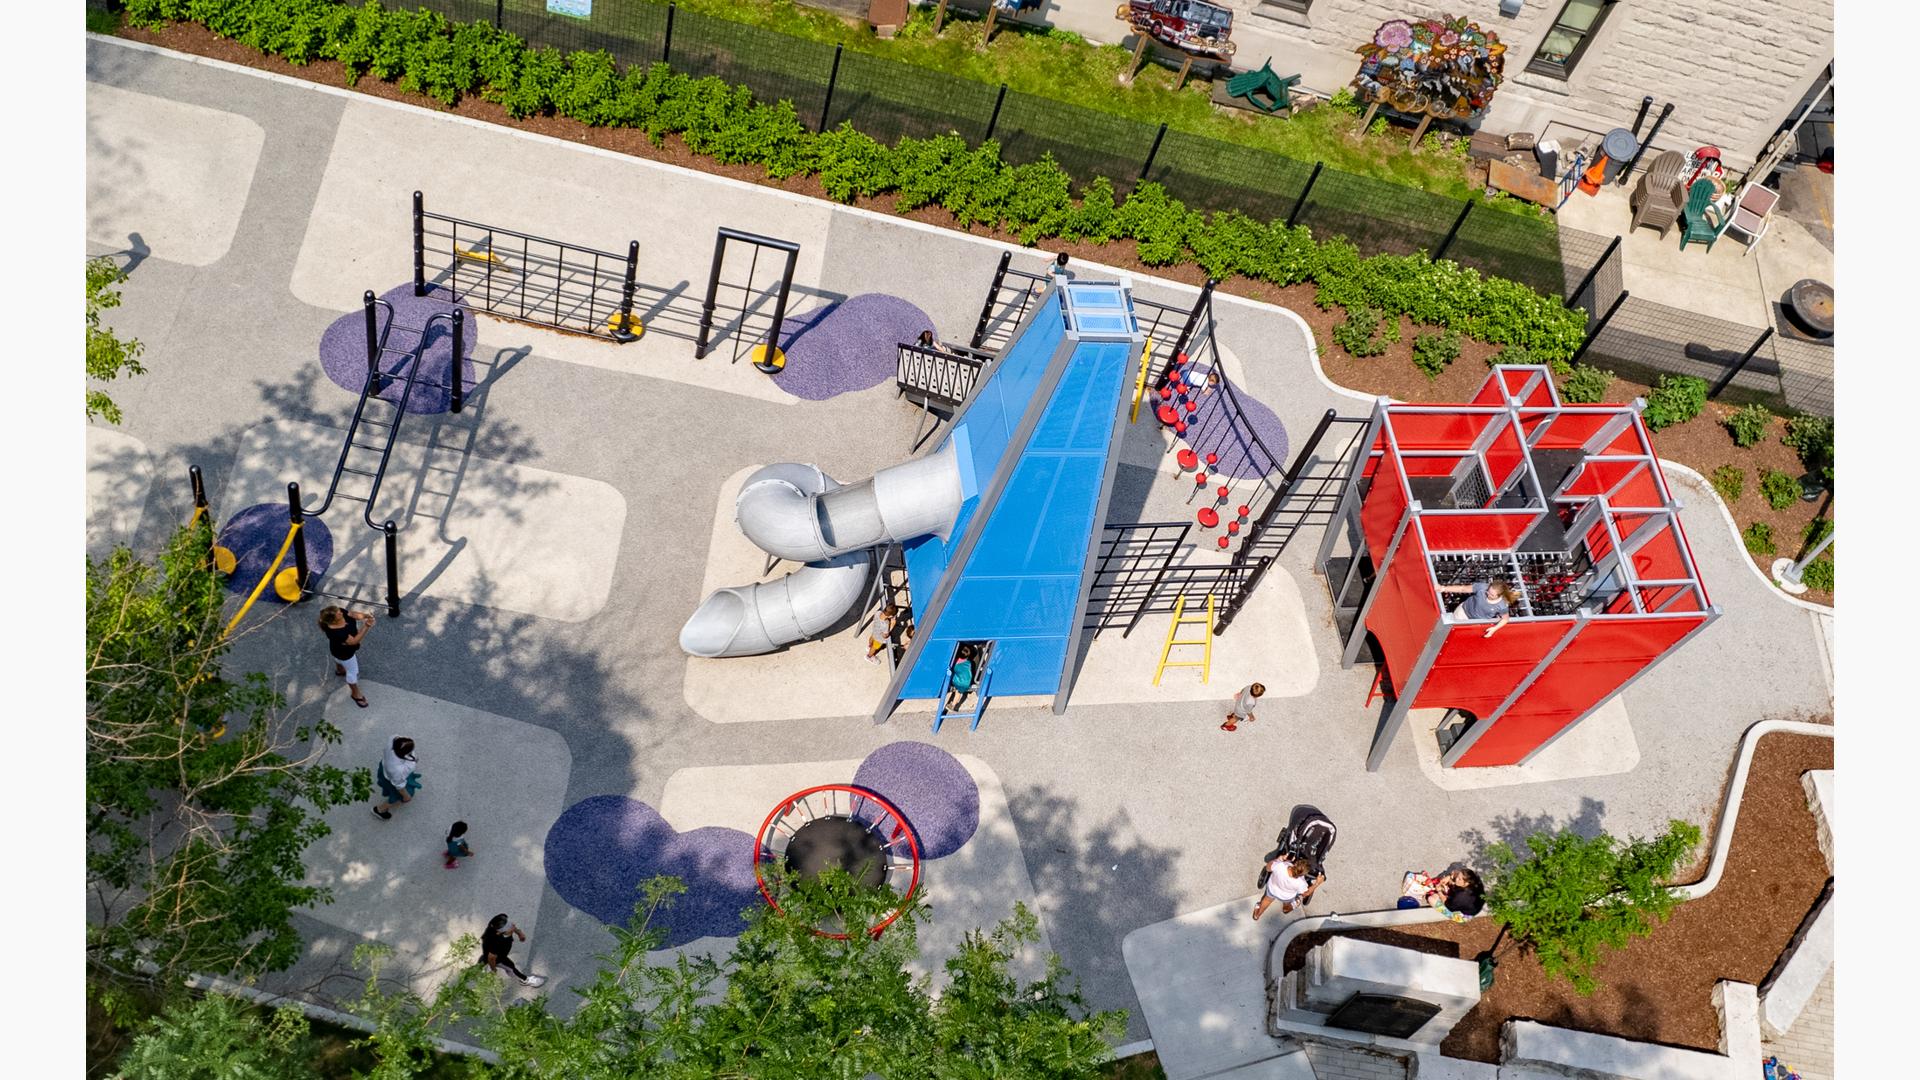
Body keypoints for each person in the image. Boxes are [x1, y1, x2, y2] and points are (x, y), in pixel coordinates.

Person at [318, 606, 375, 707]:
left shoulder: (338, 613)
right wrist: (366, 626)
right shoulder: (338, 633)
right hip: (346, 654)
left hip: (336, 649)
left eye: (339, 611)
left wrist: (365, 616)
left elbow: (352, 614)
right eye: (339, 614)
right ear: (334, 621)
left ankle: (340, 670)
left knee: (338, 659)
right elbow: (354, 641)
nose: (341, 612)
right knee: (353, 672)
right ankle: (355, 694)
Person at [479, 914, 546, 987]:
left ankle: (480, 967)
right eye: (509, 927)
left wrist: (519, 933)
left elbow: (512, 927)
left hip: (493, 952)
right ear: (500, 932)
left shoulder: (497, 923)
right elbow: (491, 957)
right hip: (499, 958)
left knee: (484, 959)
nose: (513, 925)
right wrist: (493, 969)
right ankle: (525, 980)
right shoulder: (496, 943)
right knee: (511, 968)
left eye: (509, 923)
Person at [1253, 853, 1324, 920]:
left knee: (1267, 900)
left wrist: (1279, 859)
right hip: (1286, 896)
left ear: (1295, 863)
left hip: (1272, 889)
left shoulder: (1280, 866)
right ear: (1303, 874)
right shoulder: (1301, 883)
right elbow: (1306, 893)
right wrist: (1317, 883)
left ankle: (1257, 914)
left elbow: (1268, 867)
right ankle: (1287, 908)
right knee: (1287, 903)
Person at [1399, 867, 1484, 922]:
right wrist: (1449, 877)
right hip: (1468, 904)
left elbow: (1448, 905)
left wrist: (1439, 891)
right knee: (1446, 884)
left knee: (1431, 899)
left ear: (1466, 883)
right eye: (1458, 876)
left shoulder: (1461, 897)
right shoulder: (1472, 881)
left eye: (1459, 879)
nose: (1456, 878)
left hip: (1462, 915)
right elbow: (1457, 873)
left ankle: (1434, 895)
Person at [1440, 578, 1517, 637]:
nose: (1488, 595)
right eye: (1488, 592)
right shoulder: (1482, 587)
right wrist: (1444, 588)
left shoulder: (1502, 606)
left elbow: (1505, 619)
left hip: (1475, 623)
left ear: (1499, 596)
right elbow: (1462, 588)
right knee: (1448, 630)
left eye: (1492, 595)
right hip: (1463, 612)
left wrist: (1494, 629)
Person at [372, 736, 418, 821]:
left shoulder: (393, 739)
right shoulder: (398, 770)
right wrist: (406, 796)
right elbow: (399, 786)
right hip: (393, 779)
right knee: (397, 795)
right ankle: (379, 810)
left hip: (384, 769)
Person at [946, 644, 977, 711]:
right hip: (967, 682)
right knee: (959, 692)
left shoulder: (955, 661)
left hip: (957, 681)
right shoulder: (969, 663)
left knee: (958, 691)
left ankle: (952, 705)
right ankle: (953, 704)